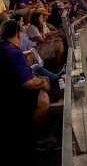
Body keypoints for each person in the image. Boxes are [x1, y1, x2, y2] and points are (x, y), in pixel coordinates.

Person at [0, 19, 55, 152]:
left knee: (37, 73)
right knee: (43, 99)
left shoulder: (4, 47)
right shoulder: (13, 53)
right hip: (12, 97)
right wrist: (43, 83)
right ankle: (35, 137)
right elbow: (29, 83)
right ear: (18, 34)